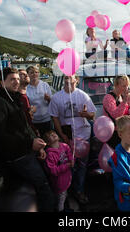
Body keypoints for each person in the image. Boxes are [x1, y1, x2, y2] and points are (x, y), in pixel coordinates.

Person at [0, 67, 57, 212]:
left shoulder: (14, 99)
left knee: (44, 182)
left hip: (27, 151)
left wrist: (38, 144)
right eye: (12, 79)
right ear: (1, 82)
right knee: (43, 185)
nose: (16, 82)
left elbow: (25, 127)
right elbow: (0, 135)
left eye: (18, 79)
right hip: (17, 156)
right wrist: (30, 143)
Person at [48, 74, 96, 205]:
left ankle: (79, 191)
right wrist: (61, 134)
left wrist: (87, 114)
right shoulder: (57, 97)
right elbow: (55, 117)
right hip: (67, 138)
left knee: (82, 166)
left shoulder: (83, 95)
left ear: (77, 80)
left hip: (84, 136)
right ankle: (66, 191)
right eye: (65, 77)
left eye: (70, 76)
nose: (67, 78)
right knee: (68, 165)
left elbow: (93, 114)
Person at [43, 130, 74, 212]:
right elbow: (52, 170)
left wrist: (71, 160)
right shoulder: (50, 154)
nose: (53, 134)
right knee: (61, 199)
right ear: (48, 143)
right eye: (50, 135)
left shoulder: (64, 146)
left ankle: (65, 207)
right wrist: (66, 166)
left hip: (67, 178)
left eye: (54, 133)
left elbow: (69, 153)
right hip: (59, 183)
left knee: (64, 195)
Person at [102, 75, 130, 149]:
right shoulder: (108, 97)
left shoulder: (122, 97)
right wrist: (124, 102)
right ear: (116, 85)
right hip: (113, 132)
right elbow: (115, 115)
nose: (126, 88)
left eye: (127, 86)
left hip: (122, 130)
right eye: (124, 86)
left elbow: (125, 112)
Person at [26, 66, 53, 137]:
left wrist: (49, 99)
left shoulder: (45, 85)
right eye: (31, 73)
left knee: (49, 141)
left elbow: (52, 103)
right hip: (33, 121)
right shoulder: (26, 88)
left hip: (46, 119)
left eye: (36, 72)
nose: (34, 74)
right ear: (28, 74)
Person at [18, 69, 38, 136]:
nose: (26, 75)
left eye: (26, 73)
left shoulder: (25, 95)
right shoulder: (17, 97)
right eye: (22, 74)